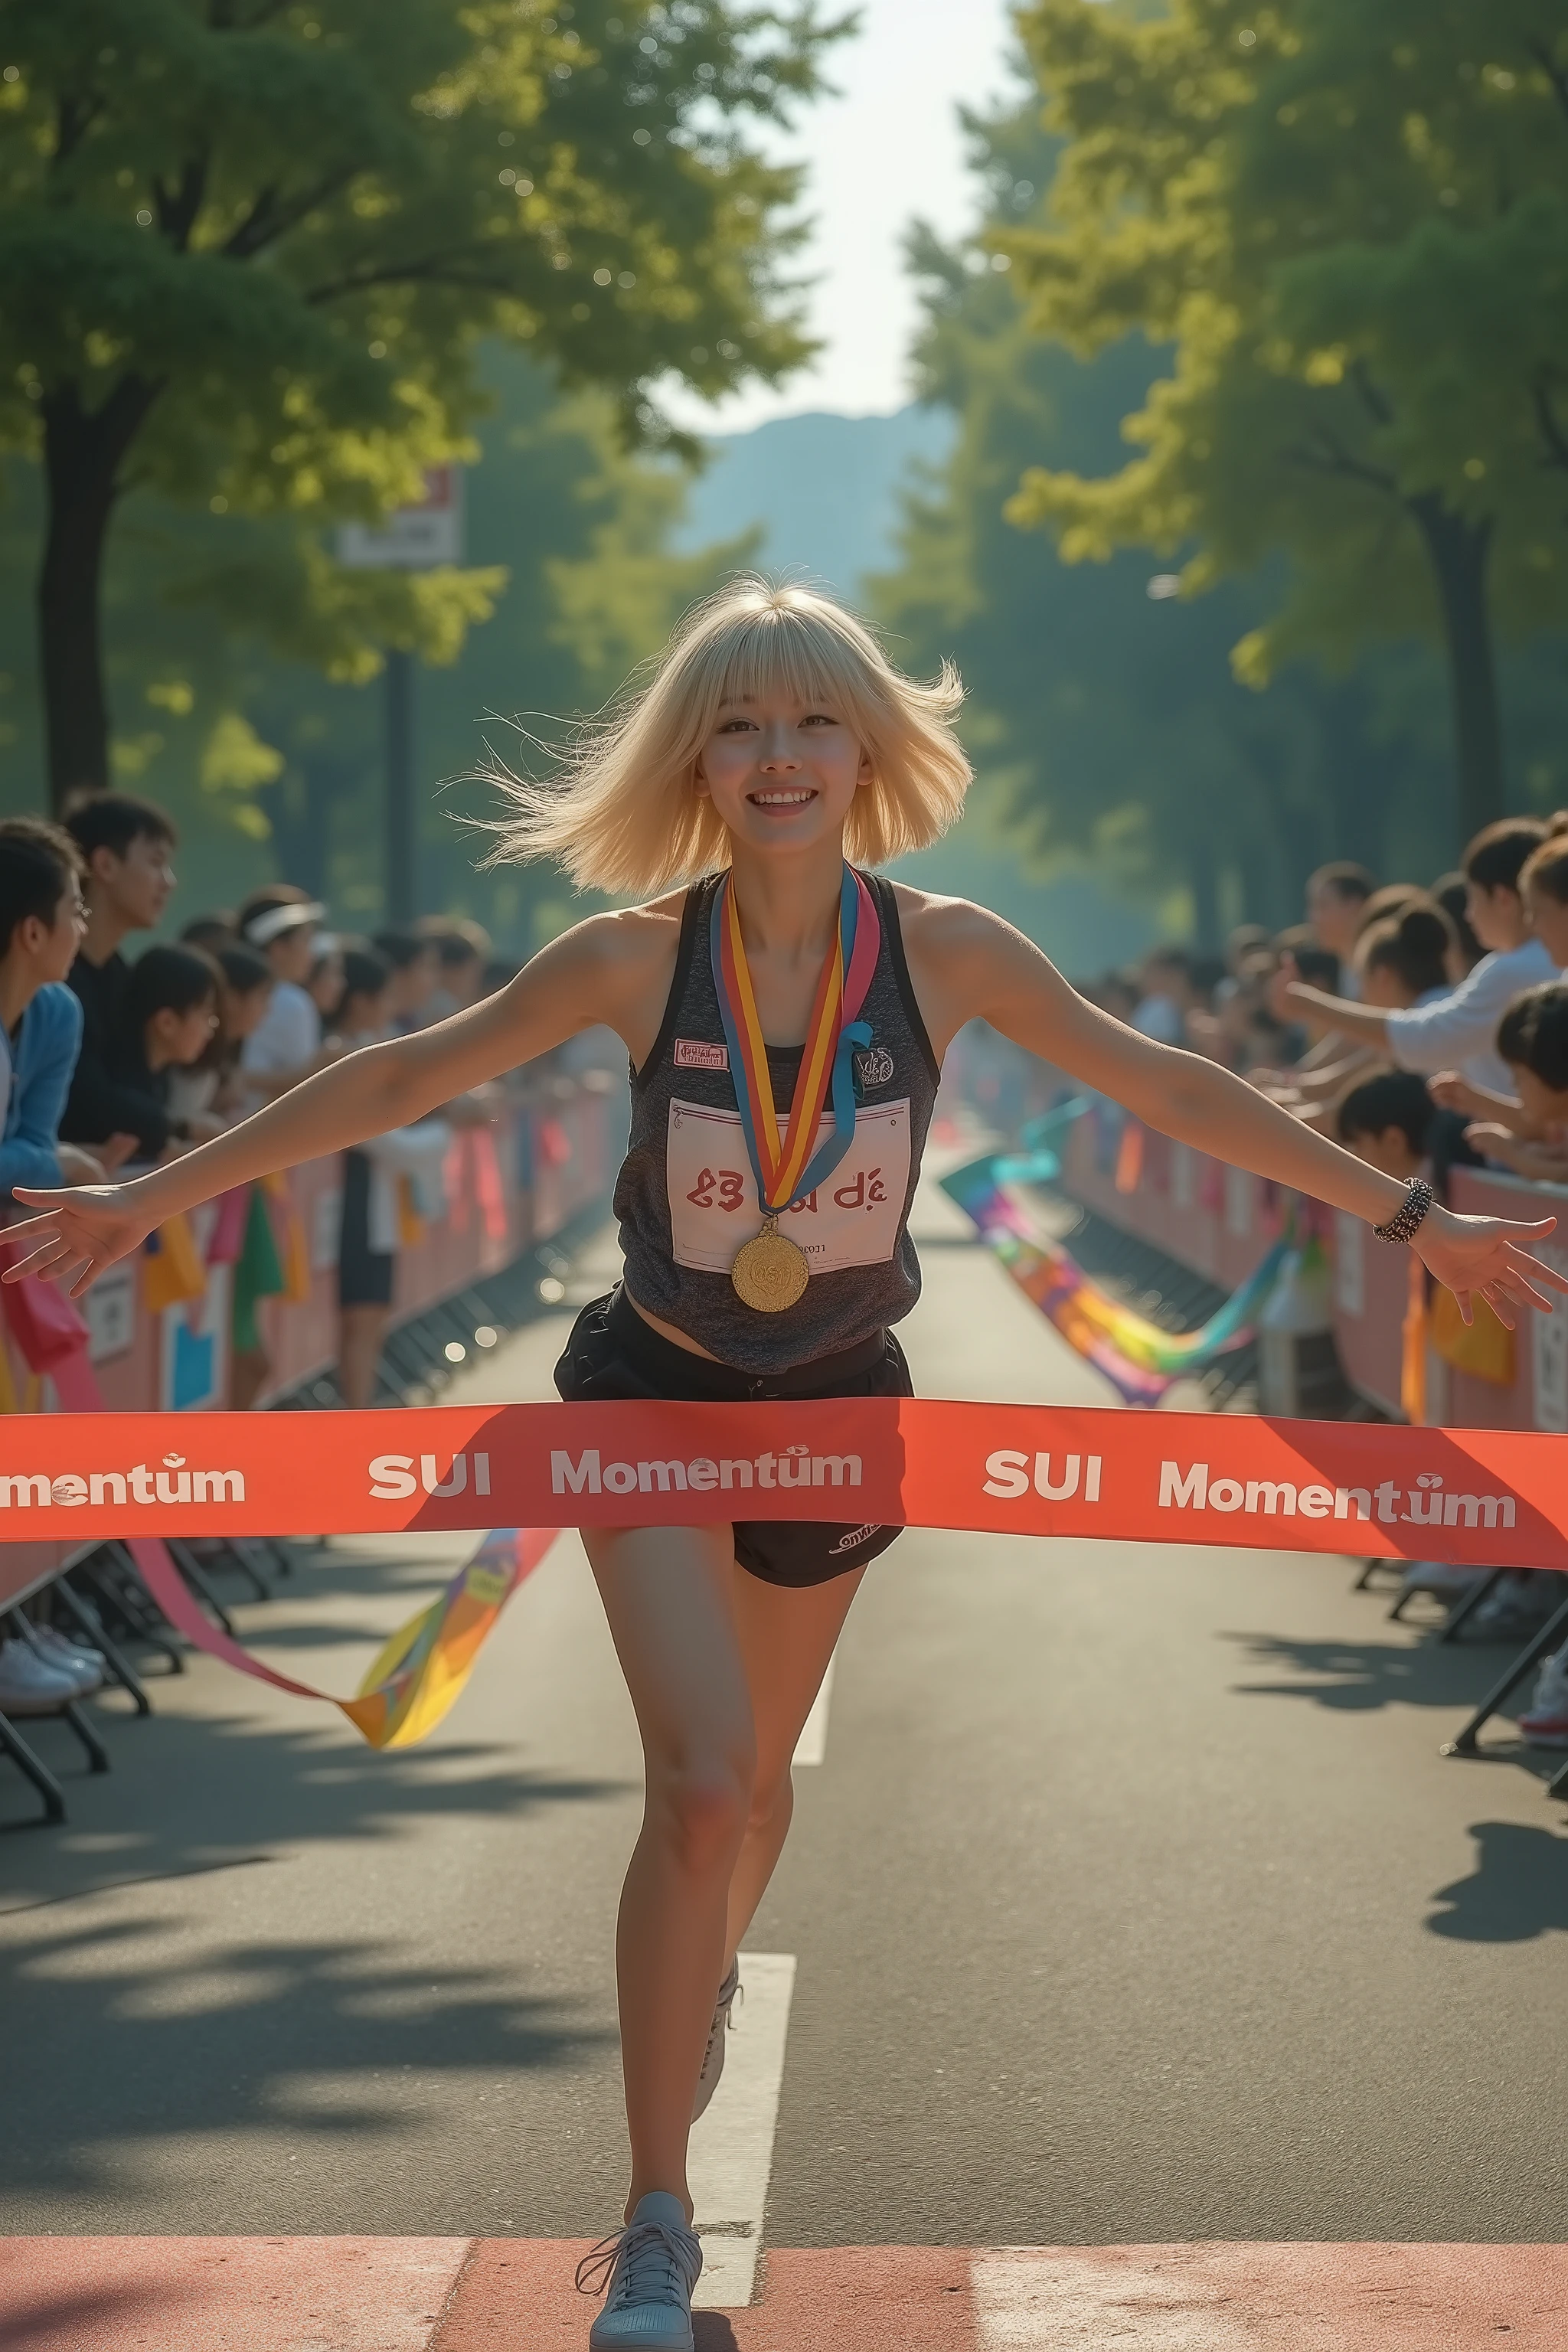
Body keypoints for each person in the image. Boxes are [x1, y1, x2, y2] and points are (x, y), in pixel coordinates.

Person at [8, 580, 1566, 2352]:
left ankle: (694, 1995)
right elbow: (395, 1077)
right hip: (648, 1395)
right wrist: (144, 1198)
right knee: (694, 1779)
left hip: (838, 1406)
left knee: (751, 1794)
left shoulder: (948, 950)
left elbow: (1171, 1087)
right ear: (695, 753)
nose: (777, 758)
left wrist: (1412, 1211)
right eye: (740, 723)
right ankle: (654, 2213)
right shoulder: (625, 957)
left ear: (868, 752)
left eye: (814, 722)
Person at [1285, 819, 1557, 1098]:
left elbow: (1421, 1039)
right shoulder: (1523, 964)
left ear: (1502, 899)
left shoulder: (1511, 969)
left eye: (1473, 899)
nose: (1468, 914)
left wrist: (1306, 1004)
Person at [58, 792, 180, 1161]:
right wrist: (168, 1125)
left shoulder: (119, 976)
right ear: (106, 865)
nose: (169, 882)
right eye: (156, 863)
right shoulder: (54, 978)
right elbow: (86, 1102)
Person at [0, 818, 115, 1194]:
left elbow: (37, 1138)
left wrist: (42, 1160)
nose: (82, 929)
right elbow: (42, 1153)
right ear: (33, 933)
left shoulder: (59, 1012)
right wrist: (54, 1164)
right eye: (76, 911)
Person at [109, 946, 222, 1148]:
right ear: (167, 1022)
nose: (210, 1030)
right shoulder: (116, 1100)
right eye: (206, 1015)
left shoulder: (159, 1082)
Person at [234, 886, 328, 1112]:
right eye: (305, 941)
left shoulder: (232, 989)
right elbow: (305, 1092)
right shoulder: (292, 1002)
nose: (312, 954)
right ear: (277, 948)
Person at [1305, 859, 1376, 995]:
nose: (1313, 918)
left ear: (1355, 906)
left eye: (1323, 905)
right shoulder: (1343, 971)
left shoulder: (1381, 968)